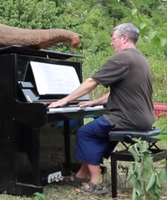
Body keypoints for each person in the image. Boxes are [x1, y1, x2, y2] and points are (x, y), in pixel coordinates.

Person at [48, 23, 155, 195]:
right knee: (99, 131)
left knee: (85, 133)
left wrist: (64, 100)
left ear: (124, 38)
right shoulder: (139, 58)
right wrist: (93, 102)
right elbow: (118, 91)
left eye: (113, 39)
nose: (112, 44)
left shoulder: (122, 58)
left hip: (127, 118)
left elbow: (92, 82)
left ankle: (96, 181)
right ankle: (81, 174)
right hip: (143, 118)